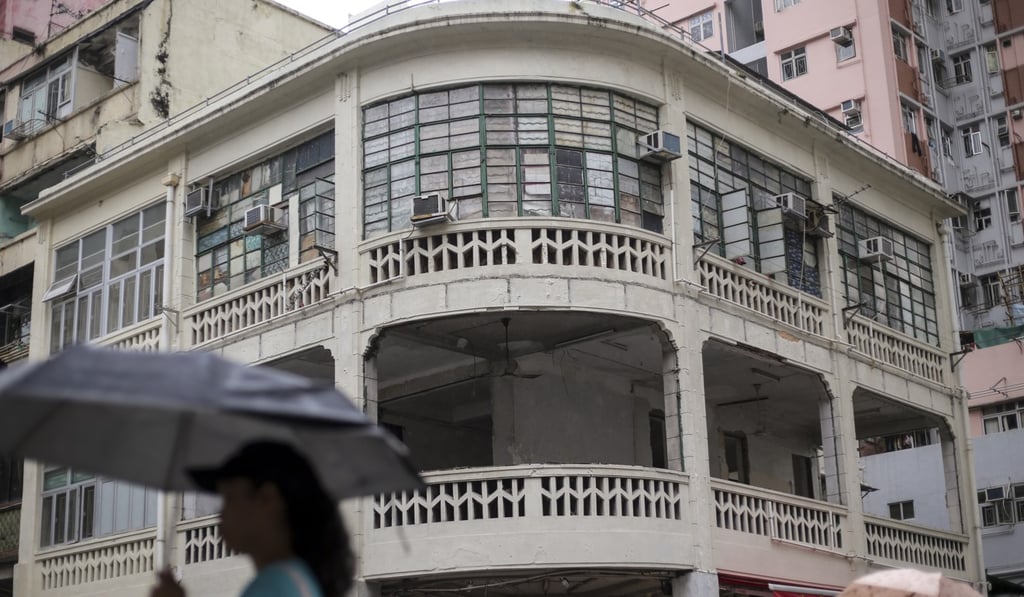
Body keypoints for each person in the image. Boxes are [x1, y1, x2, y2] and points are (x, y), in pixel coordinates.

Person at [150, 441, 354, 597]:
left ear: (267, 498)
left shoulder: (273, 587)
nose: (221, 514)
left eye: (230, 498)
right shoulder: (297, 580)